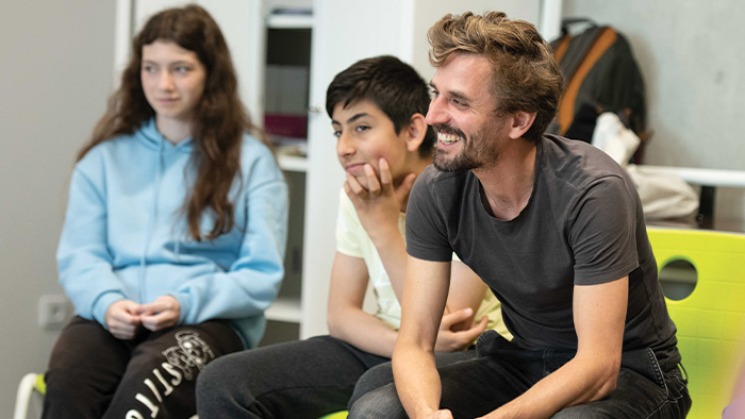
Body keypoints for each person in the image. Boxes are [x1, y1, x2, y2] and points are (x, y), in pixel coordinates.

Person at [347, 11, 692, 418]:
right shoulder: (437, 189)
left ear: (519, 120)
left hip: (635, 374)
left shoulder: (593, 191)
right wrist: (427, 414)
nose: (434, 115)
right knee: (380, 407)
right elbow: (415, 343)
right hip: (525, 360)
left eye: (457, 101)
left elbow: (599, 367)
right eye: (435, 93)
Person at [196, 55, 510, 418]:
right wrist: (398, 345)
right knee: (224, 380)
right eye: (337, 130)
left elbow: (444, 318)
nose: (344, 147)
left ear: (413, 131)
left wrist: (382, 226)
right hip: (390, 341)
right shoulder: (358, 193)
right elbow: (341, 314)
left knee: (375, 391)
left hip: (466, 352)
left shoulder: (463, 190)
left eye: (361, 128)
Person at [42, 5, 288, 418]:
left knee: (141, 395)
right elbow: (80, 255)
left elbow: (261, 275)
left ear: (211, 74)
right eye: (151, 68)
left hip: (207, 321)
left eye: (181, 68)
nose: (164, 84)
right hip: (113, 315)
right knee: (68, 382)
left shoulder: (252, 161)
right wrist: (105, 303)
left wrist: (184, 302)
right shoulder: (102, 161)